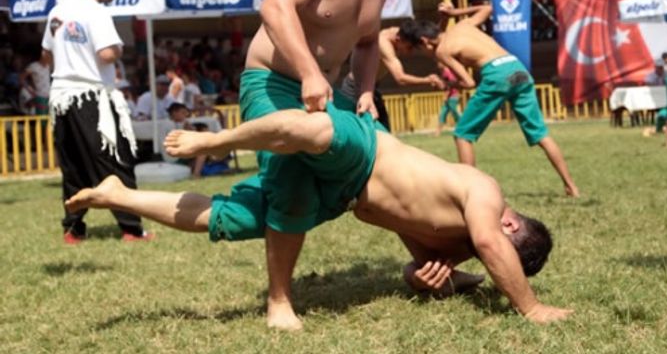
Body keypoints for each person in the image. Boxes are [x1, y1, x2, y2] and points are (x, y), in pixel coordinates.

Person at [66, 103, 572, 328]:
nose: (490, 257)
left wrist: (424, 278)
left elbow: (413, 270)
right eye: (500, 253)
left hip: (341, 196)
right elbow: (487, 246)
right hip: (367, 153)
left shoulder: (455, 242)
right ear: (510, 227)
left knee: (230, 221)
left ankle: (119, 195)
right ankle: (214, 138)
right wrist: (529, 307)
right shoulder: (484, 193)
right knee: (315, 131)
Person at [233, 0, 415, 328]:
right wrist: (310, 71)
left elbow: (369, 42)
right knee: (292, 175)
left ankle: (434, 261)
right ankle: (279, 300)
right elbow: (275, 7)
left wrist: (367, 89)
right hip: (272, 83)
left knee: (384, 169)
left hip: (326, 94)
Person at [396, 4, 579, 198]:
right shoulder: (463, 25)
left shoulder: (443, 50)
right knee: (541, 134)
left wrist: (446, 84)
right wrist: (454, 13)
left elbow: (468, 82)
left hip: (496, 75)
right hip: (517, 67)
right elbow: (488, 8)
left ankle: (471, 192)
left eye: (420, 49)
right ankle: (571, 187)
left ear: (425, 41)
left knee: (463, 135)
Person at [41, 0, 151, 244]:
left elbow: (46, 56)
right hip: (91, 96)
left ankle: (73, 229)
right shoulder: (97, 12)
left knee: (73, 165)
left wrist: (69, 59)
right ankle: (131, 228)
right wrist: (118, 47)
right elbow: (106, 54)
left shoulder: (57, 11)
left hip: (62, 96)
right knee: (116, 159)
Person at [340, 25, 445, 130]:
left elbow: (426, 35)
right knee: (356, 131)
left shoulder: (401, 32)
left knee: (383, 130)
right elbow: (400, 78)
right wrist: (428, 80)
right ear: (398, 40)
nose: (410, 52)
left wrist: (443, 21)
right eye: (408, 48)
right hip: (355, 89)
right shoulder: (384, 45)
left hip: (370, 88)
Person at [20, 48, 52, 115]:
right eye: (48, 56)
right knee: (41, 121)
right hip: (40, 96)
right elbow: (21, 78)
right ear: (43, 55)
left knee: (49, 120)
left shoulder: (48, 66)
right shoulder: (33, 66)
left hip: (49, 97)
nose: (50, 58)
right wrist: (29, 89)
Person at [435, 65, 461, 137]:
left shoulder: (447, 72)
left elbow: (451, 84)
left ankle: (463, 127)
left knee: (455, 113)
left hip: (453, 96)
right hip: (449, 96)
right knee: (442, 113)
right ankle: (437, 133)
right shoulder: (443, 73)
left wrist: (446, 94)